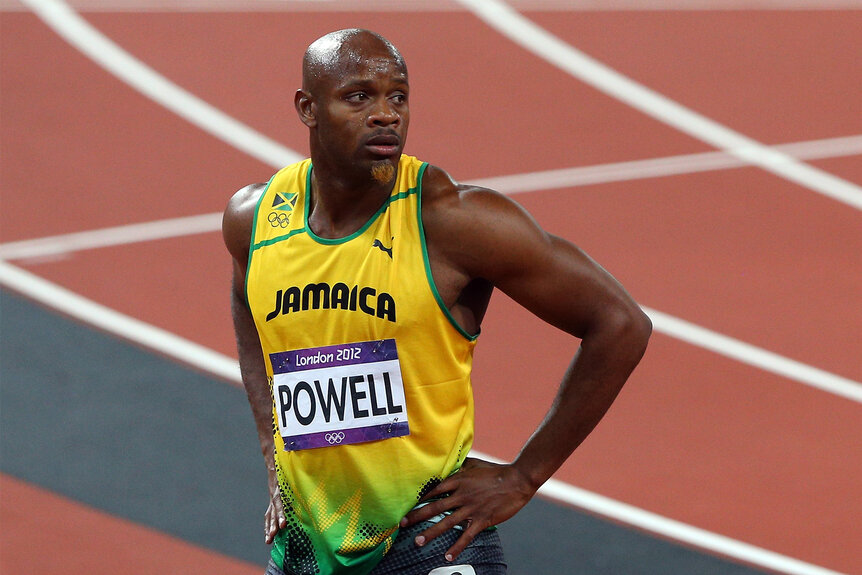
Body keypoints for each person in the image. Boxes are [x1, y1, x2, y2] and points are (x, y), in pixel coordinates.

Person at [223, 28, 651, 575]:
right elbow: (246, 301)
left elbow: (620, 323)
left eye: (397, 96)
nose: (386, 115)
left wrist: (521, 477)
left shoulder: (452, 221)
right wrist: (271, 445)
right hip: (308, 547)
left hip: (430, 539)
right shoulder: (255, 218)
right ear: (307, 108)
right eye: (359, 97)